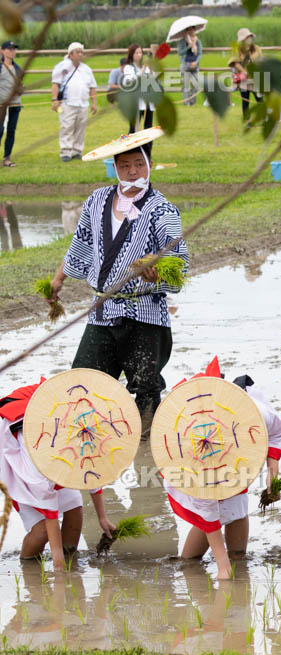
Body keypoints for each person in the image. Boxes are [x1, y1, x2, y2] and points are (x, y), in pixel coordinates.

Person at [48, 132, 189, 434]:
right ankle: (92, 452)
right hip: (103, 310)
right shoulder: (97, 201)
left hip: (145, 314)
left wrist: (158, 268)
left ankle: (146, 460)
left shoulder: (163, 210)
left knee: (146, 388)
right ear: (114, 167)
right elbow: (81, 245)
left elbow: (179, 262)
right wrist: (58, 279)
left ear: (151, 165)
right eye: (125, 166)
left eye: (139, 164)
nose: (133, 172)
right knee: (84, 382)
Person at [163, 358, 281, 580]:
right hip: (196, 467)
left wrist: (272, 475)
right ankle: (189, 568)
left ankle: (237, 562)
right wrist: (222, 565)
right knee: (193, 556)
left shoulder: (255, 414)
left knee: (235, 509)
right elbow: (208, 512)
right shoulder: (189, 453)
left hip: (238, 458)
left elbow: (277, 433)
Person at [0, 379, 117, 569]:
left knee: (75, 509)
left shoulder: (81, 431)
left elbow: (93, 473)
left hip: (56, 450)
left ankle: (71, 559)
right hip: (20, 471)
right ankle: (29, 569)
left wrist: (102, 518)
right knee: (41, 531)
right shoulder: (36, 456)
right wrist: (57, 562)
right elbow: (49, 507)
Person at [50, 42, 98, 163]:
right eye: (77, 52)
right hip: (67, 103)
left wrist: (94, 103)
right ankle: (65, 152)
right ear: (70, 54)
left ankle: (77, 151)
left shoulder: (87, 69)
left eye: (81, 52)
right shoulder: (62, 67)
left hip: (83, 104)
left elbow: (92, 87)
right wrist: (54, 100)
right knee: (67, 128)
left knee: (80, 128)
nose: (80, 55)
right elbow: (56, 84)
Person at [122, 44, 155, 135]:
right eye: (136, 53)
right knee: (134, 129)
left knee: (148, 128)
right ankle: (132, 149)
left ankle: (147, 149)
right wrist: (143, 70)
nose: (139, 55)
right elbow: (130, 81)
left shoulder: (146, 67)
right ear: (131, 54)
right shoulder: (129, 68)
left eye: (140, 52)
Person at [0, 40, 23, 167]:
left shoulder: (18, 68)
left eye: (14, 49)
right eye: (9, 49)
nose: (12, 51)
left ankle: (7, 158)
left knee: (11, 131)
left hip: (15, 105)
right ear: (2, 51)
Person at [234, 28, 262, 120]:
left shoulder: (257, 48)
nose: (249, 39)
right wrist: (244, 72)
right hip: (244, 79)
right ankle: (247, 120)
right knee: (245, 100)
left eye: (250, 37)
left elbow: (261, 61)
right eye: (247, 37)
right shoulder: (238, 50)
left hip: (255, 78)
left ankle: (263, 117)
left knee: (259, 99)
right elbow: (236, 63)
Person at [177, 26, 202, 107]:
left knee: (196, 84)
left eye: (192, 29)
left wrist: (196, 62)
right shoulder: (182, 41)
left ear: (195, 30)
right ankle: (186, 103)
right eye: (189, 29)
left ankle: (192, 102)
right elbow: (180, 53)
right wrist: (189, 46)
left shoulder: (198, 41)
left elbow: (200, 53)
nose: (191, 31)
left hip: (194, 64)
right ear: (186, 31)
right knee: (186, 85)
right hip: (185, 64)